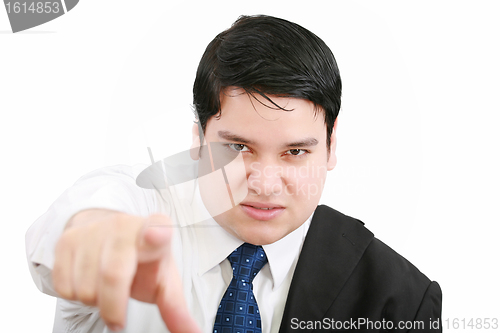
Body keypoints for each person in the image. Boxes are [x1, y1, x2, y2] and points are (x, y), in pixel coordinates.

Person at [26, 15, 442, 333]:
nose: (263, 182)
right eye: (237, 148)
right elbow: (94, 208)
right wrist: (91, 234)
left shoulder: (401, 298)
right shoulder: (146, 212)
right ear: (197, 141)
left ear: (331, 147)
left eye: (295, 152)